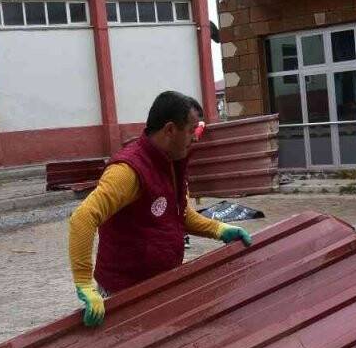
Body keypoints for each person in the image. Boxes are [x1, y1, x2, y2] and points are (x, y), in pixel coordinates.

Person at [67, 91, 252, 327]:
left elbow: (178, 215)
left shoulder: (171, 163)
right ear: (170, 130)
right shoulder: (129, 171)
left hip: (159, 286)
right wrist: (84, 283)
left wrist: (218, 229)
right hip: (123, 295)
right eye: (190, 130)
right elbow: (83, 218)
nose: (195, 138)